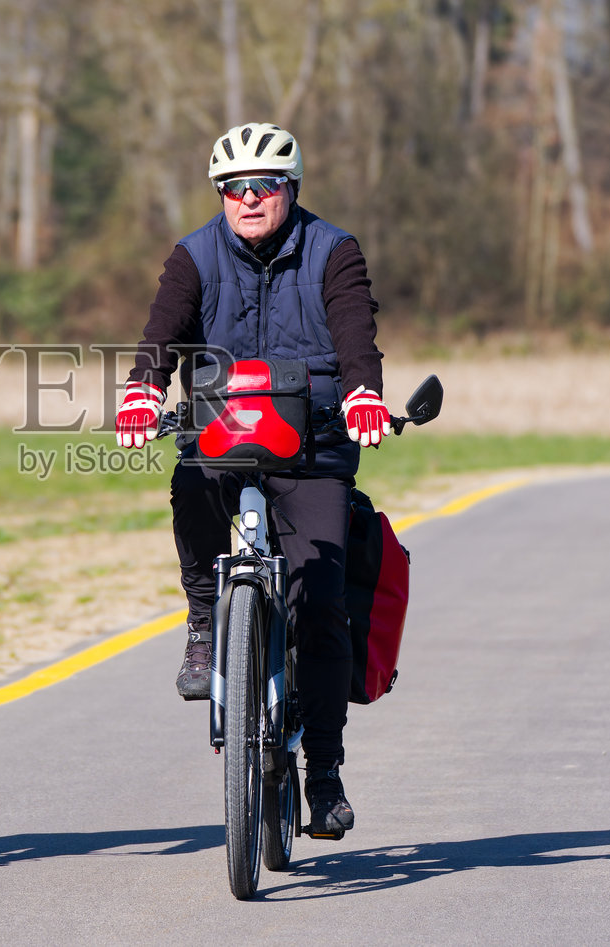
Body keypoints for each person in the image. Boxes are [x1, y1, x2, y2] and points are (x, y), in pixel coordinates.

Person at [115, 122, 389, 839]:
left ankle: (323, 773)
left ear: (290, 189)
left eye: (263, 185)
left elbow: (357, 337)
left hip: (315, 440)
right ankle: (207, 622)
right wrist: (144, 387)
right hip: (222, 430)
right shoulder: (194, 256)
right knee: (189, 485)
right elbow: (163, 333)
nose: (248, 199)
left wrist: (363, 393)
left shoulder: (335, 252)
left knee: (322, 605)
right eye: (234, 189)